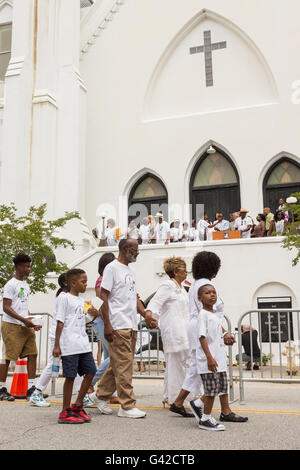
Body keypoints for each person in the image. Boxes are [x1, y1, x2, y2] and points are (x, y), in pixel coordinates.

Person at [171, 251, 247, 424]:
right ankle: (220, 410)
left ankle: (180, 402)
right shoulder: (205, 284)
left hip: (199, 327)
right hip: (206, 329)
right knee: (214, 367)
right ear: (213, 267)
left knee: (199, 368)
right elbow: (207, 313)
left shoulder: (198, 283)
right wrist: (224, 332)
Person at [89, 238, 157, 419]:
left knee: (118, 364)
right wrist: (108, 325)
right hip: (118, 324)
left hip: (131, 324)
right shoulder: (111, 268)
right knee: (125, 367)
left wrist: (146, 317)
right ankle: (127, 406)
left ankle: (99, 395)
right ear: (126, 249)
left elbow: (134, 298)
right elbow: (104, 297)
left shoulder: (131, 271)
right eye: (135, 249)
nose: (138, 252)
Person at [145, 257, 193, 416]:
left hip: (184, 329)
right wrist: (151, 317)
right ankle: (175, 399)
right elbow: (155, 304)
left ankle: (170, 397)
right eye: (183, 269)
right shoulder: (167, 285)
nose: (186, 272)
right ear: (175, 272)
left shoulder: (182, 287)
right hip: (173, 329)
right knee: (175, 365)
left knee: (179, 364)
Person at [53, 269, 98, 424]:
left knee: (91, 371)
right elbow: (60, 322)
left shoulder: (81, 300)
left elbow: (82, 320)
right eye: (83, 282)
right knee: (70, 377)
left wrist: (93, 314)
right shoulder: (64, 298)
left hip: (82, 343)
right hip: (69, 344)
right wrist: (56, 345)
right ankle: (65, 411)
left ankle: (78, 405)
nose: (86, 284)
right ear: (73, 283)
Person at [197, 284, 239, 431]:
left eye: (214, 292)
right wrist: (209, 357)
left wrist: (226, 336)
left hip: (219, 359)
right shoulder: (202, 314)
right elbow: (202, 337)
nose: (212, 295)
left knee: (220, 388)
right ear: (200, 298)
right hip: (209, 360)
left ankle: (200, 408)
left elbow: (216, 335)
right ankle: (205, 419)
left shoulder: (214, 315)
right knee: (210, 391)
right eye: (208, 293)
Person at [0, 254, 41, 402]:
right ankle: (2, 388)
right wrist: (24, 320)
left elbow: (23, 306)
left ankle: (31, 388)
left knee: (33, 354)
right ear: (18, 267)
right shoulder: (11, 284)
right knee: (8, 357)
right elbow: (6, 307)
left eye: (29, 266)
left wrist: (32, 320)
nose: (28, 269)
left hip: (25, 325)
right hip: (12, 325)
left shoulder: (25, 285)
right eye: (26, 266)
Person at [29, 273, 69, 407]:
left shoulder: (67, 297)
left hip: (66, 336)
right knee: (53, 364)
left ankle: (83, 393)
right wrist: (57, 342)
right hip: (59, 336)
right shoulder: (63, 297)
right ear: (65, 283)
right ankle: (37, 392)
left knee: (77, 362)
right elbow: (60, 320)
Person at [90, 252, 118, 404]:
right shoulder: (102, 281)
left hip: (107, 320)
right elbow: (101, 302)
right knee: (114, 356)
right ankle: (90, 382)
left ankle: (107, 392)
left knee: (109, 358)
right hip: (103, 321)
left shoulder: (107, 279)